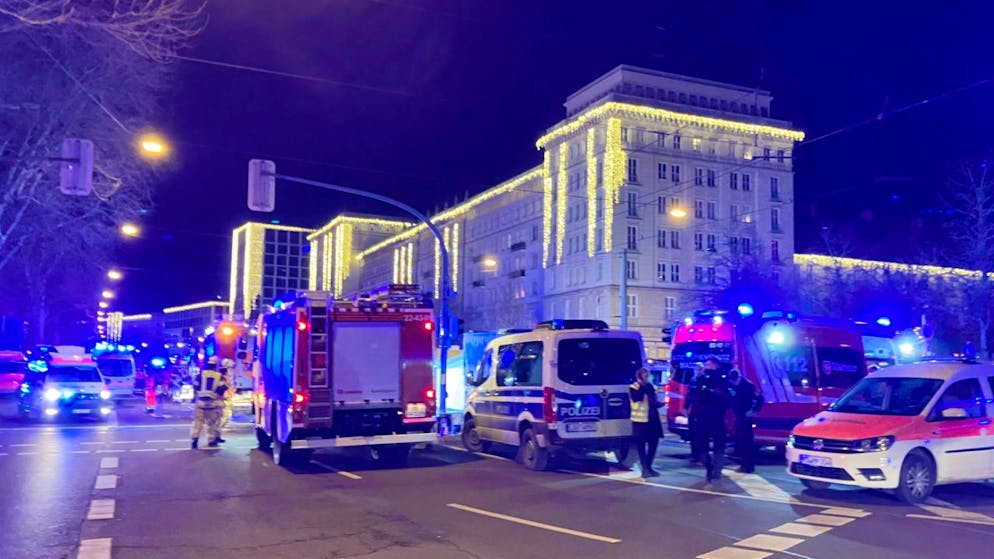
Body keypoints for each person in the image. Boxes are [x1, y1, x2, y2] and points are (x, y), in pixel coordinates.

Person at [690, 358, 732, 482]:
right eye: (706, 364)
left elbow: (725, 397)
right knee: (701, 445)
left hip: (717, 416)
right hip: (703, 416)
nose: (706, 366)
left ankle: (716, 471)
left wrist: (712, 393)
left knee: (719, 445)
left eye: (708, 364)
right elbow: (695, 395)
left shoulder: (723, 378)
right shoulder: (701, 378)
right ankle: (708, 466)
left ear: (715, 365)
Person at [629, 367, 662, 477]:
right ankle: (645, 469)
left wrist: (659, 404)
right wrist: (642, 385)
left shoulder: (650, 386)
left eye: (648, 376)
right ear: (639, 377)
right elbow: (637, 398)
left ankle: (649, 466)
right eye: (645, 376)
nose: (648, 378)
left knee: (654, 443)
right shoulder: (634, 387)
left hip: (652, 419)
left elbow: (652, 400)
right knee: (641, 446)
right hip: (640, 421)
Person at [728, 368, 763, 473]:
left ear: (738, 377)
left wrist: (753, 411)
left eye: (735, 381)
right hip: (739, 415)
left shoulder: (749, 386)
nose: (734, 383)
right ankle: (744, 464)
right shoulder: (733, 385)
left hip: (746, 417)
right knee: (741, 442)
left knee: (747, 442)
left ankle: (748, 466)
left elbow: (760, 399)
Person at [190, 358, 228, 449]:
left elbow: (195, 386)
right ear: (215, 366)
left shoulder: (201, 375)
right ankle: (211, 441)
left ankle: (195, 439)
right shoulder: (219, 376)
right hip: (212, 403)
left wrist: (198, 394)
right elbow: (222, 389)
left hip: (200, 402)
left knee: (198, 422)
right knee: (211, 423)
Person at [685, 364, 705, 465]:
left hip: (701, 411)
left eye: (699, 369)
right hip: (692, 411)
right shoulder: (693, 380)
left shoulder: (704, 380)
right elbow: (688, 395)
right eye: (696, 369)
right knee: (693, 433)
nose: (697, 370)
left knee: (701, 434)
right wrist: (686, 407)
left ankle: (701, 456)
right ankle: (694, 455)